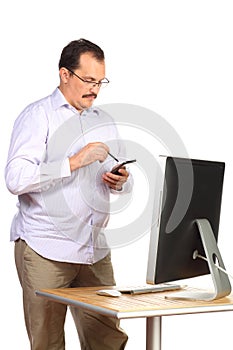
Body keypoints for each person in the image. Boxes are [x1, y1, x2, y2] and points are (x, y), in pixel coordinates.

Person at [5, 38, 133, 350]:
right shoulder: (38, 116)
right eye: (88, 80)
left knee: (108, 341)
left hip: (94, 251)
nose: (95, 89)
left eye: (100, 81)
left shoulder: (103, 120)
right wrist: (74, 161)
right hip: (45, 250)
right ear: (65, 74)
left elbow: (125, 181)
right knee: (48, 344)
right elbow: (15, 178)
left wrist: (121, 181)